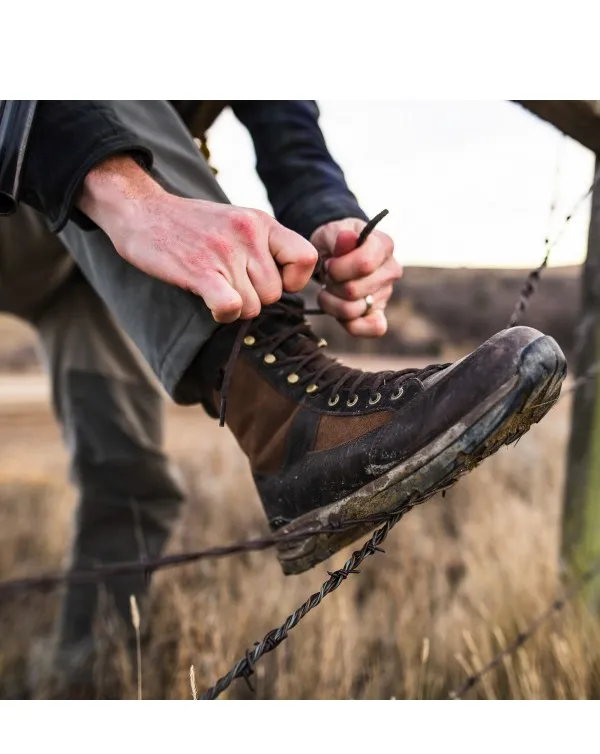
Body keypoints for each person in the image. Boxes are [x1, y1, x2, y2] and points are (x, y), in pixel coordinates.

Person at [0, 101, 566, 697]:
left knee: (129, 483)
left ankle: (75, 684)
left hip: (86, 251)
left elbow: (287, 130)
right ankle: (276, 406)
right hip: (26, 192)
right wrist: (133, 198)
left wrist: (331, 221)